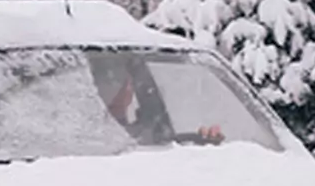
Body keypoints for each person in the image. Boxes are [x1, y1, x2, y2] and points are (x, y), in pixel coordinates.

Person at [89, 53, 224, 145]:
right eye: (106, 80)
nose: (113, 89)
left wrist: (203, 144)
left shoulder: (150, 135)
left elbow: (167, 151)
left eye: (119, 81)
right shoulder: (79, 143)